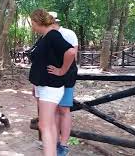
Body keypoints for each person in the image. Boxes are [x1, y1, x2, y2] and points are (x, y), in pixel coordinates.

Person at [29, 8, 75, 156]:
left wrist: (62, 70)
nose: (32, 26)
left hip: (51, 86)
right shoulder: (45, 36)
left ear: (38, 22)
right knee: (48, 125)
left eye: (32, 23)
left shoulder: (53, 35)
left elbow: (71, 52)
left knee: (45, 126)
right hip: (44, 85)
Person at [49, 12, 78, 156]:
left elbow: (73, 55)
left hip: (66, 77)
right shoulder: (45, 36)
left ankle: (64, 144)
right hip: (50, 78)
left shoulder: (68, 34)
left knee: (64, 109)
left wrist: (61, 71)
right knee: (53, 110)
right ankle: (54, 141)